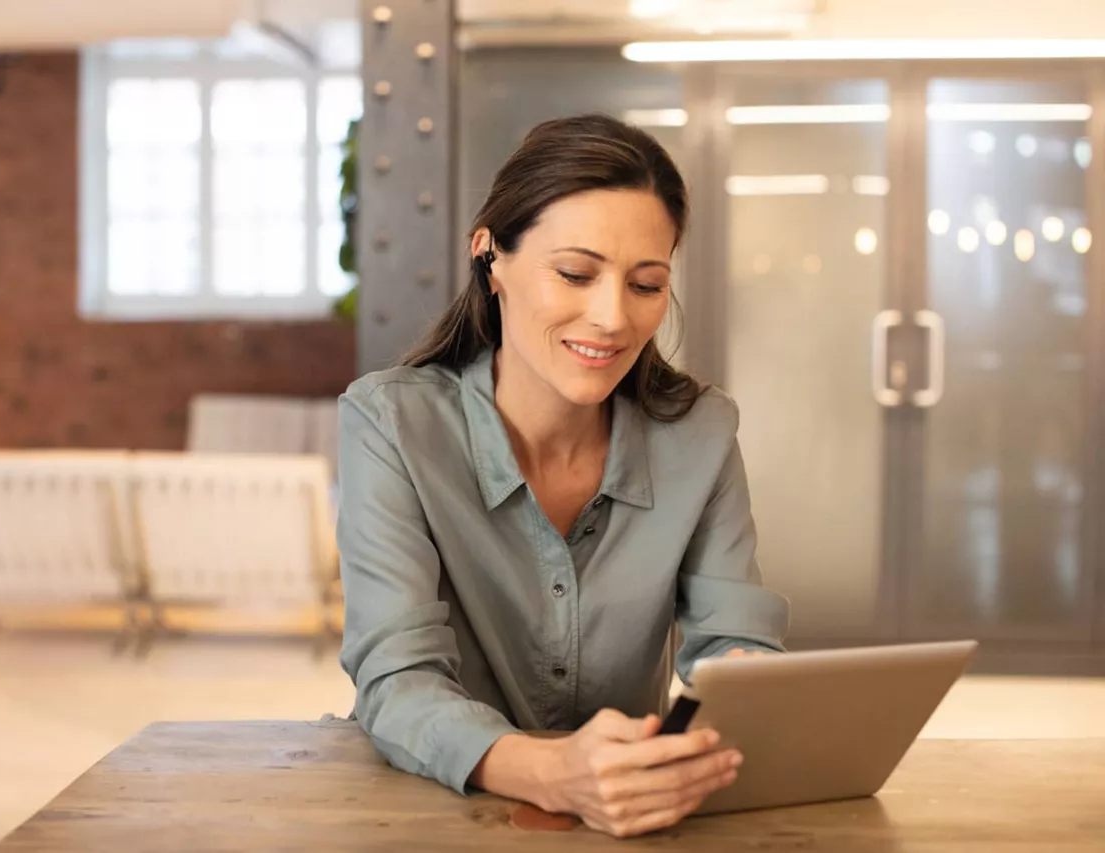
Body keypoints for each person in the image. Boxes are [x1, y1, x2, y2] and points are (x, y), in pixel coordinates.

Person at [335, 113, 789, 838]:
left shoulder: (700, 434)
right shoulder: (392, 424)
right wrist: (554, 772)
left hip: (629, 822)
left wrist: (736, 689)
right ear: (490, 255)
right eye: (575, 273)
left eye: (645, 284)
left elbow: (735, 641)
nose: (611, 318)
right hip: (430, 812)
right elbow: (398, 681)